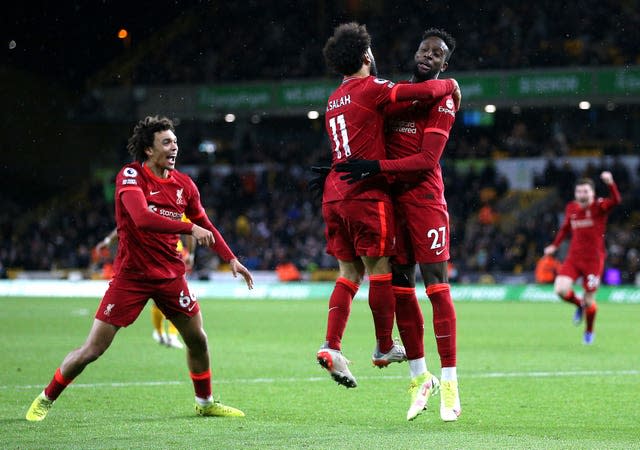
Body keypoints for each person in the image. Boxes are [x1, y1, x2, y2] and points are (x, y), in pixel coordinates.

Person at [26, 116, 254, 422]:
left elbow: (205, 225)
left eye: (175, 141)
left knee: (198, 339)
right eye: (167, 142)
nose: (175, 147)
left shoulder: (184, 185)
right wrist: (187, 227)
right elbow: (142, 218)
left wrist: (232, 258)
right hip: (131, 277)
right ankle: (46, 397)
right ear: (148, 149)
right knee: (92, 350)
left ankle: (205, 402)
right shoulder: (131, 176)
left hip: (171, 276)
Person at [316, 22, 460, 389]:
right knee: (381, 268)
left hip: (334, 188)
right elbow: (420, 91)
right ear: (366, 56)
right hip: (366, 192)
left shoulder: (333, 98)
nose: (428, 57)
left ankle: (331, 345)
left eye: (437, 55)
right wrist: (451, 85)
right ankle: (383, 346)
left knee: (348, 274)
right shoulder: (375, 88)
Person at [96, 215, 196, 350]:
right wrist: (108, 240)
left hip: (173, 255)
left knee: (179, 298)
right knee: (162, 299)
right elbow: (125, 224)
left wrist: (190, 253)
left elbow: (190, 230)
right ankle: (160, 332)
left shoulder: (176, 207)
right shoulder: (145, 205)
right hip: (152, 257)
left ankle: (171, 335)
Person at [544, 172, 620, 345]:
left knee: (589, 300)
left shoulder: (600, 206)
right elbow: (564, 228)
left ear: (592, 193)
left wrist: (610, 183)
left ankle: (589, 330)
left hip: (594, 260)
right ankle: (579, 305)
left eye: (585, 192)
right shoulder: (571, 207)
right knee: (560, 290)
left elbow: (616, 200)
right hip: (574, 258)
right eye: (579, 192)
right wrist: (555, 245)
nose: (582, 195)